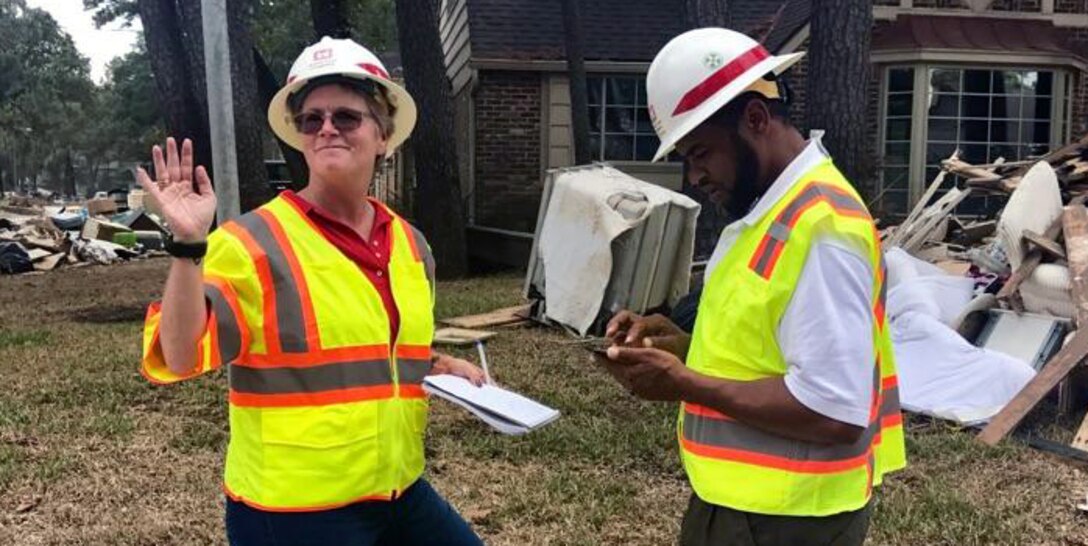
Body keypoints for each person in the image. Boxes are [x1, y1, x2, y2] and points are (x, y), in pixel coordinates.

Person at [136, 37, 485, 546]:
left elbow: (367, 348)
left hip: (398, 491)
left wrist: (433, 364)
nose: (326, 129)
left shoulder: (412, 246)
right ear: (300, 137)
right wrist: (189, 246)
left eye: (346, 117)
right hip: (294, 511)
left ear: (383, 133)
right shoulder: (251, 243)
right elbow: (181, 353)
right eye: (311, 119)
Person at [593, 28, 906, 546]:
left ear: (756, 120)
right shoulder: (768, 215)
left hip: (788, 520)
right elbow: (767, 354)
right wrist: (678, 346)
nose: (694, 175)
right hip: (750, 509)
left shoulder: (823, 228)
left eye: (700, 153)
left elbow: (834, 411)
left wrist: (683, 383)